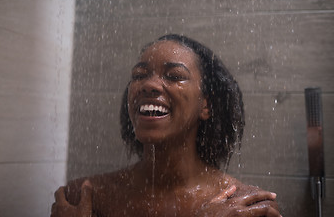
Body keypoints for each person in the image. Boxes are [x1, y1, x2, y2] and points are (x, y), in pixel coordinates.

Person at [51, 34, 281, 217]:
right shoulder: (84, 197)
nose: (148, 85)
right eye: (139, 75)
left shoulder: (244, 206)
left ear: (206, 105)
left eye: (174, 76)